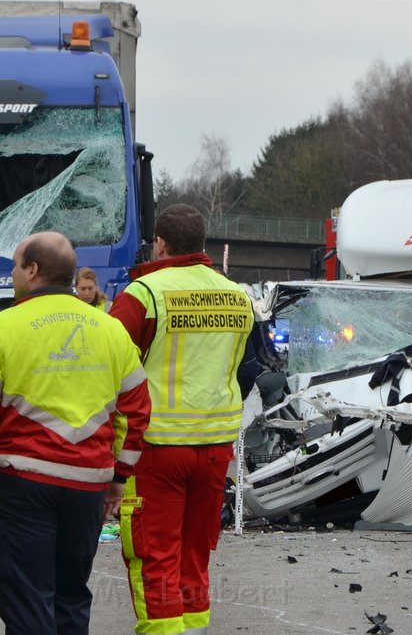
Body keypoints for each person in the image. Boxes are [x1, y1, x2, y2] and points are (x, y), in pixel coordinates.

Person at [0, 231, 151, 634]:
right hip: (86, 487)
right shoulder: (111, 330)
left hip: (18, 483)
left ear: (33, 270)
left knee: (27, 604)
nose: (11, 273)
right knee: (71, 597)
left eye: (15, 265)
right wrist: (117, 478)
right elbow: (136, 412)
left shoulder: (0, 329)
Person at [109, 204, 256, 634]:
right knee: (195, 552)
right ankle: (194, 629)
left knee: (154, 554)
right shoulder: (236, 295)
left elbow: (110, 366)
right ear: (203, 243)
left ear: (160, 243)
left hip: (156, 449)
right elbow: (245, 368)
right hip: (215, 447)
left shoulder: (144, 294)